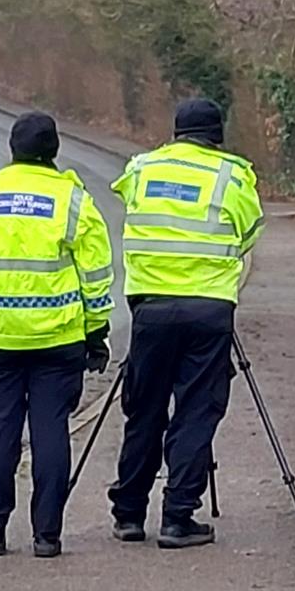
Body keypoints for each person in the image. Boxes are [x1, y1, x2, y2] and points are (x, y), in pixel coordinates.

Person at [0, 112, 114, 558]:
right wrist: (96, 332)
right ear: (55, 150)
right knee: (51, 431)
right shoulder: (74, 201)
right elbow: (96, 276)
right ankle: (47, 534)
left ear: (12, 148)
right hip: (58, 340)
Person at [108, 98, 264, 549]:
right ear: (217, 135)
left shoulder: (141, 169)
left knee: (144, 409)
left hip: (151, 309)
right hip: (208, 309)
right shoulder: (233, 175)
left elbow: (127, 198)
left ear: (176, 133)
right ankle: (178, 517)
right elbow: (249, 234)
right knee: (198, 408)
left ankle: (129, 514)